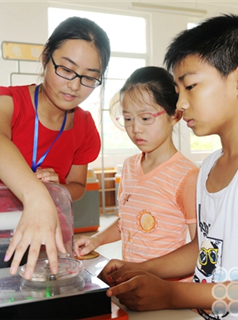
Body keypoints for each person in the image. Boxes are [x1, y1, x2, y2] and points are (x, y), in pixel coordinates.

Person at [99, 14, 238, 319]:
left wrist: (172, 293)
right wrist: (141, 269)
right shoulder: (210, 165)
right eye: (178, 90)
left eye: (191, 86)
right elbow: (205, 248)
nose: (181, 103)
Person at [0, 16, 110, 279]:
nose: (75, 85)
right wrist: (37, 196)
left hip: (46, 233)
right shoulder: (5, 101)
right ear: (46, 58)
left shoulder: (84, 126)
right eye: (66, 70)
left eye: (90, 78)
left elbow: (77, 187)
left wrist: (57, 188)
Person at [74, 67, 199, 278]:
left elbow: (199, 248)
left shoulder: (188, 176)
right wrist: (97, 239)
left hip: (168, 287)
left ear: (175, 115)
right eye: (128, 119)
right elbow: (127, 222)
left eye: (146, 118)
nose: (136, 129)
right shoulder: (130, 166)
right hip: (132, 282)